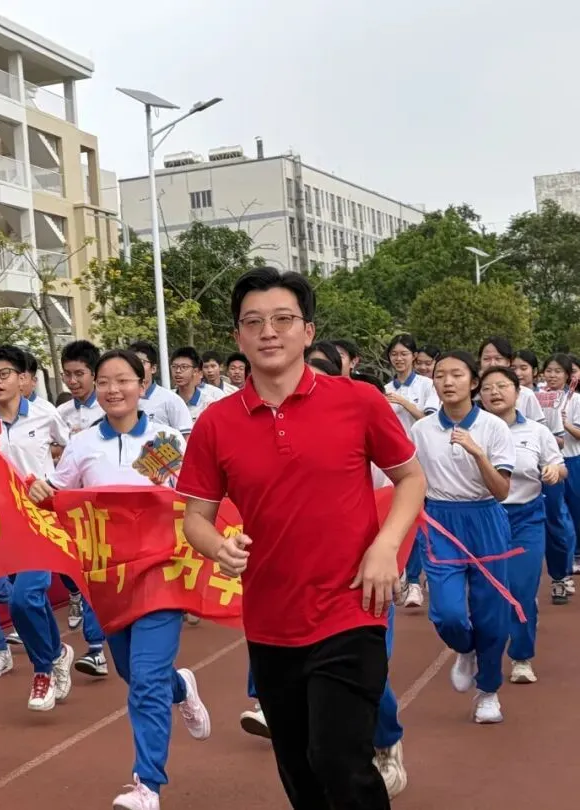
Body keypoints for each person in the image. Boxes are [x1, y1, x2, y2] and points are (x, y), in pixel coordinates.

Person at [177, 267, 425, 810]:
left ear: (307, 331)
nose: (269, 331)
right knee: (300, 773)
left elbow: (411, 479)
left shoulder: (357, 401)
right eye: (254, 322)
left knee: (338, 758)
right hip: (270, 622)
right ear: (239, 337)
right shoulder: (216, 423)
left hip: (351, 607)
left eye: (283, 319)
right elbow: (195, 516)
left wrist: (385, 547)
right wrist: (216, 546)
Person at [29, 348, 212, 810]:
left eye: (123, 380)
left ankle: (146, 784)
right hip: (106, 580)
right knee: (136, 674)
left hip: (161, 573)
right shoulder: (83, 444)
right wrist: (40, 491)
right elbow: (58, 495)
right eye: (104, 381)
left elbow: (194, 500)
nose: (113, 389)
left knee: (145, 680)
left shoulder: (166, 441)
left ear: (141, 382)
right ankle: (181, 687)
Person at [409, 351, 514, 724]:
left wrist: (477, 453)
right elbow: (410, 481)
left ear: (473, 382)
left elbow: (502, 490)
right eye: (440, 375)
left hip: (485, 518)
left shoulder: (493, 428)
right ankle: (464, 648)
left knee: (492, 614)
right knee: (448, 612)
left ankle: (488, 692)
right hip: (440, 521)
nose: (447, 382)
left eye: (456, 375)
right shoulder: (420, 431)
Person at [0, 344, 74, 709]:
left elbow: (72, 452)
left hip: (43, 519)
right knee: (31, 600)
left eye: (4, 374)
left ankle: (43, 669)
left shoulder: (45, 416)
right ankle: (58, 651)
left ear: (21, 379)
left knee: (22, 599)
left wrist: (54, 483)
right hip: (4, 525)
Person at [478, 365, 565, 684]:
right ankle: (482, 651)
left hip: (526, 516)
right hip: (484, 517)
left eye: (502, 386)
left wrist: (556, 472)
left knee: (522, 588)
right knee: (485, 592)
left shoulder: (536, 432)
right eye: (487, 388)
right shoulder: (474, 430)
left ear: (518, 392)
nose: (495, 393)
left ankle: (521, 657)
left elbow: (556, 463)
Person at [384, 333, 439, 609]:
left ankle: (431, 570)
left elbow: (429, 419)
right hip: (396, 465)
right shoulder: (385, 388)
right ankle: (413, 581)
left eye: (404, 353)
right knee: (407, 520)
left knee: (428, 520)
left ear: (414, 356)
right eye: (394, 354)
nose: (399, 358)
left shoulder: (429, 385)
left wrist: (403, 403)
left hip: (424, 458)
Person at [56, 339, 105, 636]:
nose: (73, 381)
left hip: (103, 502)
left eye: (79, 374)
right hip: (74, 502)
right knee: (80, 566)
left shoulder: (112, 404)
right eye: (67, 375)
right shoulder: (58, 413)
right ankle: (96, 641)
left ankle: (97, 641)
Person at [540, 353, 577, 603]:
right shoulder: (535, 397)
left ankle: (564, 570)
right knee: (552, 516)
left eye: (557, 371)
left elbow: (571, 437)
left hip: (570, 461)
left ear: (567, 376)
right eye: (548, 371)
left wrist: (564, 427)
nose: (552, 376)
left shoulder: (575, 400)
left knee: (564, 516)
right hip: (540, 465)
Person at [128, 340, 193, 435]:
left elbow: (186, 438)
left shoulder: (171, 400)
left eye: (141, 362)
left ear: (153, 368)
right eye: (131, 362)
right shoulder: (121, 400)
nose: (135, 366)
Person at [170, 346, 225, 425]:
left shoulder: (209, 405)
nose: (178, 371)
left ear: (196, 371)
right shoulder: (166, 401)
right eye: (174, 367)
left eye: (184, 367)